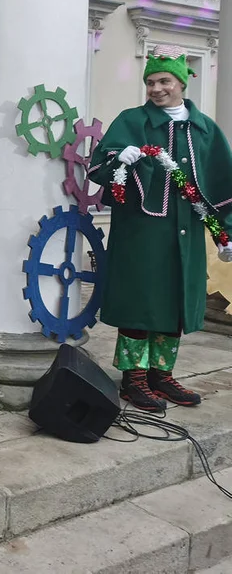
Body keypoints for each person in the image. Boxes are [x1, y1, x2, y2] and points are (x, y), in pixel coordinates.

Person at [89, 43, 232, 412]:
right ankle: (133, 378)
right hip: (142, 233)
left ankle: (161, 374)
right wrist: (122, 160)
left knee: (173, 300)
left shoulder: (205, 130)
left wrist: (224, 230)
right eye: (150, 82)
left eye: (164, 80)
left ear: (181, 82)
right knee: (142, 299)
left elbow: (222, 182)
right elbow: (99, 168)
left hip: (185, 235)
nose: (156, 89)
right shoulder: (131, 121)